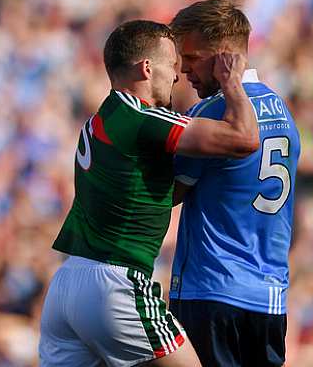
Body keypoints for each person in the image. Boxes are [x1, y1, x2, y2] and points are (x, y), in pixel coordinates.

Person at [38, 19, 259, 367]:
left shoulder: (99, 121)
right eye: (172, 65)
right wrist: (233, 82)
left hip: (66, 284)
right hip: (114, 284)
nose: (176, 76)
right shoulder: (140, 118)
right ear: (146, 67)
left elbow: (153, 193)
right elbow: (244, 139)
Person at [167, 0, 301, 367]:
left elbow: (168, 194)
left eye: (191, 58)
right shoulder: (283, 111)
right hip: (269, 298)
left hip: (212, 290)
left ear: (225, 57)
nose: (183, 71)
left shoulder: (211, 114)